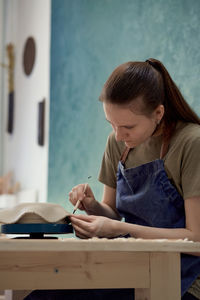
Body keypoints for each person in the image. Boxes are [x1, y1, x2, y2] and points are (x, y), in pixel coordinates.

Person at [25, 58, 200, 300]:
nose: (118, 136)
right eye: (111, 124)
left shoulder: (191, 142)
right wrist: (93, 206)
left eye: (127, 127)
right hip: (132, 265)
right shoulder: (117, 143)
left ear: (158, 113)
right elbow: (112, 212)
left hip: (184, 277)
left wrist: (117, 228)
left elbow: (195, 237)